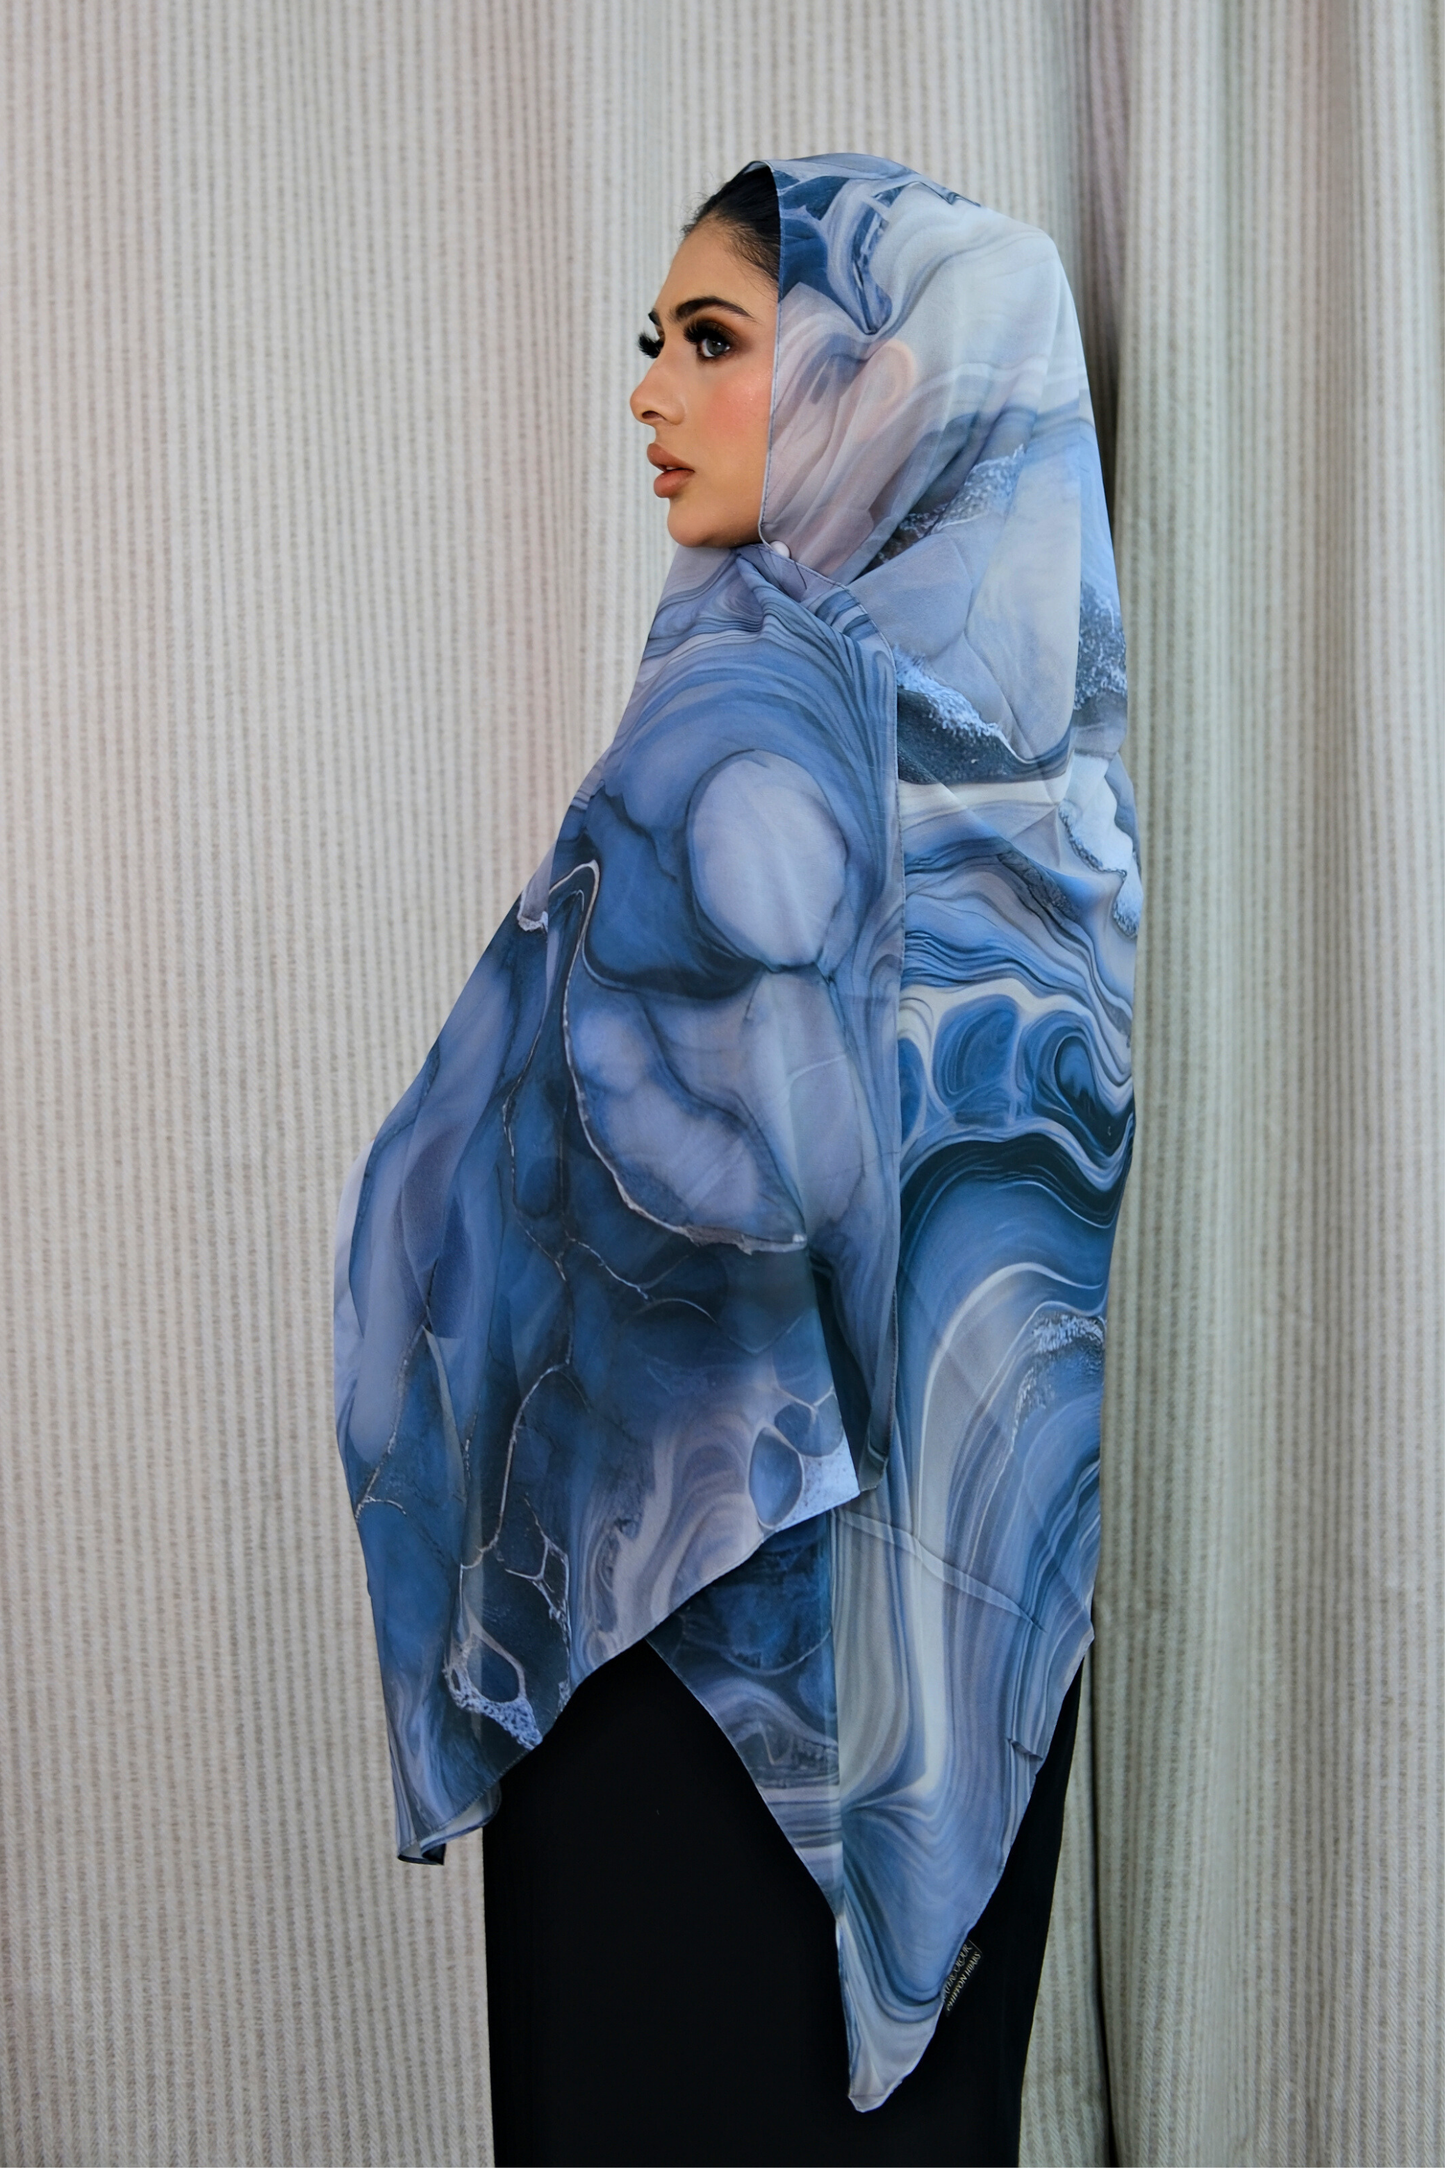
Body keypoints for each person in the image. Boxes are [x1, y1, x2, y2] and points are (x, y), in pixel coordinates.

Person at [334, 156, 1138, 2167]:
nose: (650, 392)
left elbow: (552, 1171)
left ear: (889, 378)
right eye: (656, 342)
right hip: (952, 1664)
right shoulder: (1056, 819)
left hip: (676, 1631)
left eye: (713, 339)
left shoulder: (745, 724)